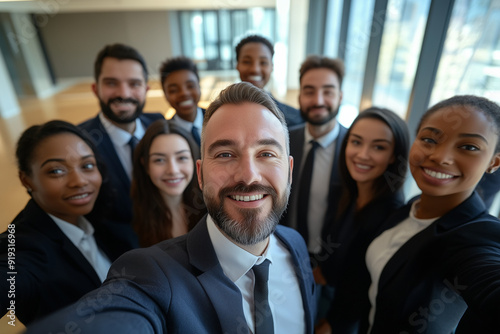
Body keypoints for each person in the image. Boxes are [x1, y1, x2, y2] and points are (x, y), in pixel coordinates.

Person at [26, 82, 317, 334]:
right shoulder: (152, 276)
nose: (248, 176)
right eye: (226, 154)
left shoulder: (295, 245)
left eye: (266, 153)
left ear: (289, 171)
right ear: (200, 175)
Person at [365, 95, 500, 333]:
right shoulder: (412, 206)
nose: (440, 157)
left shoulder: (479, 236)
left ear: (494, 162)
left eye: (469, 147)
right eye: (429, 139)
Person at [0, 120, 128, 325]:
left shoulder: (96, 214)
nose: (79, 181)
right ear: (26, 180)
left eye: (87, 165)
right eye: (56, 171)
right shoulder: (22, 246)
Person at [315, 107, 410, 333]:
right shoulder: (348, 192)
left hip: (348, 320)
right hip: (327, 295)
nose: (363, 154)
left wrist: (332, 324)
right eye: (356, 142)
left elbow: (364, 286)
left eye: (378, 147)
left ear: (393, 157)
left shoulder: (392, 215)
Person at [79, 43, 164, 230]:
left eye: (134, 84)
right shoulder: (80, 142)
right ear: (96, 89)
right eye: (111, 83)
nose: (124, 93)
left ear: (146, 89)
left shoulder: (160, 124)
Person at [281, 55, 347, 258]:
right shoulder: (283, 141)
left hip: (329, 260)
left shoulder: (354, 150)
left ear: (340, 96)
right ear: (300, 97)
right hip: (283, 249)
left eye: (328, 91)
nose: (318, 100)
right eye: (309, 91)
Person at [131, 119, 206, 247]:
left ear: (194, 161)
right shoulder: (131, 219)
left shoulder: (210, 209)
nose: (172, 170)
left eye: (182, 158)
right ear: (145, 164)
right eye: (159, 160)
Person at [235, 34, 304, 127]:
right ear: (237, 65)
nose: (255, 69)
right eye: (247, 62)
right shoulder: (215, 117)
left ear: (272, 67)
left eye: (263, 62)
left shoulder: (295, 120)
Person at [159, 56, 204, 160]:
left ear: (199, 86)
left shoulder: (218, 119)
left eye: (190, 86)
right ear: (165, 94)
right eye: (174, 90)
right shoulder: (165, 134)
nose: (184, 93)